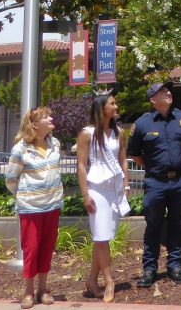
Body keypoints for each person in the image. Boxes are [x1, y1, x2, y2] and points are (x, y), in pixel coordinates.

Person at [127, 81, 181, 287]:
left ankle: (174, 265)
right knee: (153, 225)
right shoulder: (141, 124)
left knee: (177, 224)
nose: (167, 92)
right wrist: (154, 167)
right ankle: (149, 268)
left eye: (168, 90)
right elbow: (135, 154)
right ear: (152, 100)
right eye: (161, 91)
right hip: (156, 182)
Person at [5, 107, 63, 309]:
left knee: (47, 248)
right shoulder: (20, 148)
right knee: (31, 249)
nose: (51, 118)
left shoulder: (55, 143)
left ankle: (42, 290)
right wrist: (25, 196)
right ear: (35, 125)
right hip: (30, 208)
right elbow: (11, 180)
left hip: (53, 205)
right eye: (46, 117)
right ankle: (28, 292)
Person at [76, 91, 130, 303]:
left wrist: (125, 187)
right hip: (96, 189)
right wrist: (84, 194)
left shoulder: (119, 132)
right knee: (100, 236)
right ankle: (109, 281)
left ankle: (91, 280)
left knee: (104, 236)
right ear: (101, 108)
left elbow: (123, 161)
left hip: (113, 190)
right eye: (112, 104)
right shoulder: (87, 133)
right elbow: (81, 165)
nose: (116, 107)